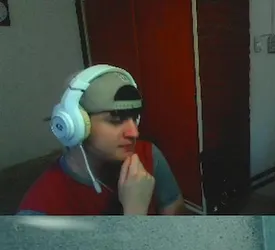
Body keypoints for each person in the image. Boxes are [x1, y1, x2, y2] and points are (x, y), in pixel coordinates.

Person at [18, 64, 184, 216]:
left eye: (135, 118)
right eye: (116, 120)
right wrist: (135, 212)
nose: (134, 132)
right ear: (76, 124)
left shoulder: (148, 154)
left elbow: (176, 218)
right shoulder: (39, 207)